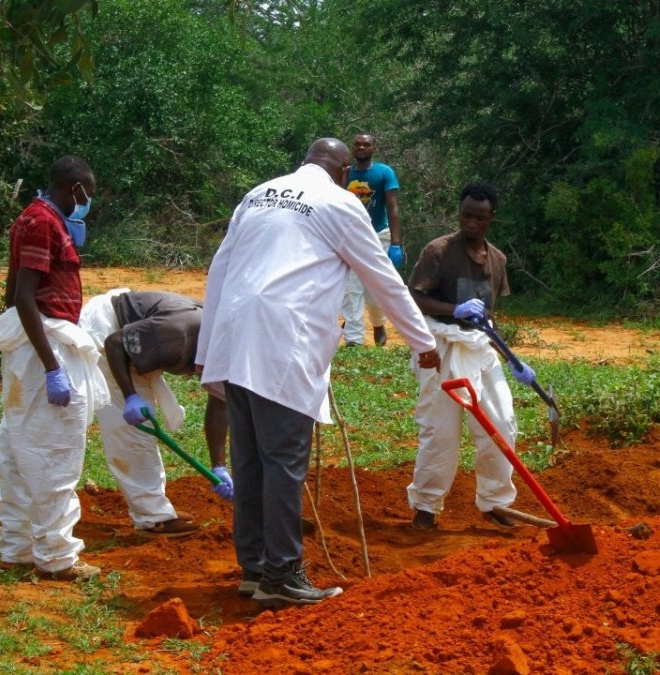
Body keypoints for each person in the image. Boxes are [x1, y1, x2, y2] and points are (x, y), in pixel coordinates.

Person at [197, 138, 440, 607]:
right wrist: (423, 342)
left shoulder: (258, 194)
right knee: (284, 465)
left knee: (249, 463)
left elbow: (219, 271)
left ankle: (254, 570)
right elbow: (381, 277)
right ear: (343, 169)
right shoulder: (339, 202)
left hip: (234, 335)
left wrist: (209, 352)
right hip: (280, 341)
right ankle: (283, 575)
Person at [0, 156, 108, 581]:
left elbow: (12, 291)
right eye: (87, 194)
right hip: (46, 346)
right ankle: (57, 557)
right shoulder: (43, 223)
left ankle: (17, 548)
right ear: (74, 188)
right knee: (54, 452)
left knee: (20, 449)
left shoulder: (32, 218)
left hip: (32, 346)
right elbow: (24, 296)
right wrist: (51, 365)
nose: (88, 202)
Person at [405, 182, 536, 531]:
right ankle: (426, 507)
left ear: (491, 218)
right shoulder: (438, 251)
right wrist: (454, 309)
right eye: (466, 215)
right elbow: (414, 298)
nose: (471, 223)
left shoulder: (497, 259)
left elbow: (487, 319)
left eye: (480, 217)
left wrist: (511, 358)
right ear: (459, 213)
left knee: (502, 422)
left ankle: (496, 502)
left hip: (479, 347)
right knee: (441, 429)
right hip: (442, 345)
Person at [80, 289, 232, 537]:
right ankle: (153, 518)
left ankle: (153, 509)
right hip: (107, 333)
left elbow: (219, 401)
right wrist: (130, 396)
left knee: (140, 434)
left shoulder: (222, 346)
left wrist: (219, 467)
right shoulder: (179, 334)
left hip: (141, 337)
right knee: (131, 435)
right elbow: (115, 344)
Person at [340, 133, 403, 347]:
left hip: (378, 236)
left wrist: (395, 243)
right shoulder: (345, 173)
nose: (361, 147)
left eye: (366, 144)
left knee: (375, 290)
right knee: (351, 289)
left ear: (373, 148)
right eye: (357, 144)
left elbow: (392, 208)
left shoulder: (384, 172)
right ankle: (354, 339)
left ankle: (378, 323)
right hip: (350, 236)